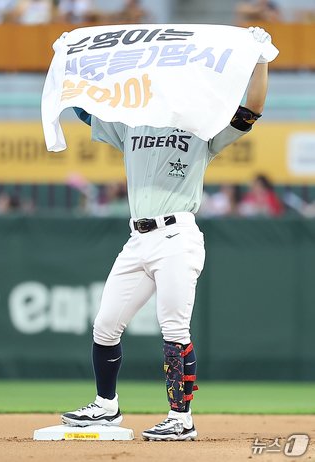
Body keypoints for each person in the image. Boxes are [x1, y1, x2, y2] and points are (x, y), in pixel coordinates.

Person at [61, 27, 270, 441]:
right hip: (137, 239)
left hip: (177, 236)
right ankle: (106, 406)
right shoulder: (132, 123)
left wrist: (261, 58)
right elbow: (83, 106)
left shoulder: (202, 128)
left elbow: (250, 111)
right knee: (105, 325)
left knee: (174, 328)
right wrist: (71, 60)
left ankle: (181, 418)